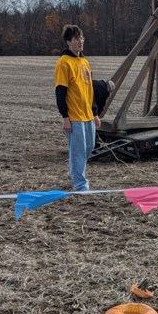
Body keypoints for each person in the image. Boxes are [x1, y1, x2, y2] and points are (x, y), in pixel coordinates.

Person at [54, 24, 100, 191]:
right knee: (78, 151)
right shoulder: (63, 63)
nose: (80, 42)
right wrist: (65, 117)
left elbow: (90, 90)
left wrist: (95, 113)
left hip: (88, 114)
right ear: (68, 42)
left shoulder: (85, 62)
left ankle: (74, 171)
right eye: (75, 39)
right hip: (74, 117)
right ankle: (80, 185)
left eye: (81, 38)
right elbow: (60, 91)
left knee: (89, 148)